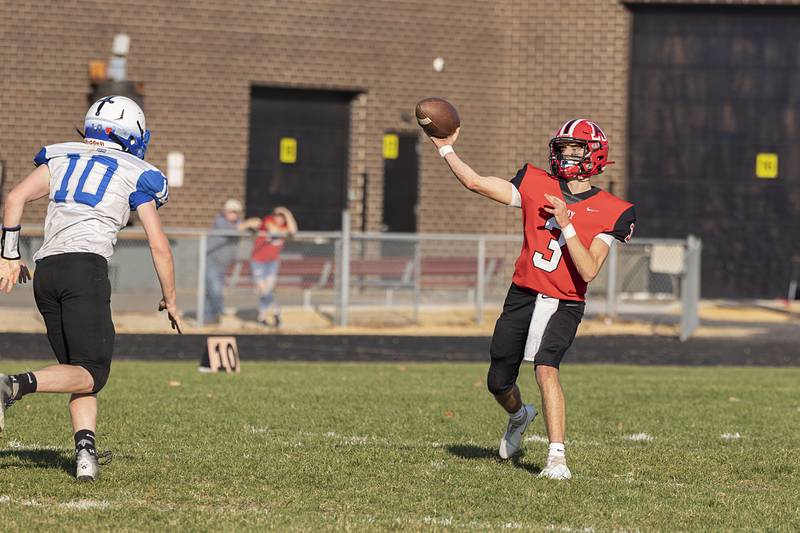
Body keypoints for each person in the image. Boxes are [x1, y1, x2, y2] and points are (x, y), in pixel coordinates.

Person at [430, 119, 636, 480]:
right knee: (498, 381)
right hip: (523, 293)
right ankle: (519, 415)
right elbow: (476, 182)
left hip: (565, 300)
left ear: (595, 155)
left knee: (546, 368)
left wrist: (567, 223)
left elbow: (588, 271)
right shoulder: (535, 182)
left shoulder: (613, 209)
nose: (566, 156)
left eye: (575, 149)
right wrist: (445, 147)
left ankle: (557, 458)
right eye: (562, 148)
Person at [0, 95, 183, 481]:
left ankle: (86, 456)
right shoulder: (135, 170)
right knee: (92, 372)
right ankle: (12, 385)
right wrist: (171, 297)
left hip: (46, 271)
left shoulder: (62, 155)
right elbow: (159, 245)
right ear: (131, 135)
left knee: (77, 371)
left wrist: (10, 256)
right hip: (85, 268)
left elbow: (14, 197)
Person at [239, 207, 297, 327]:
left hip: (272, 262)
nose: (279, 218)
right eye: (277, 215)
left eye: (282, 216)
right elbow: (273, 229)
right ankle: (277, 311)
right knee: (263, 290)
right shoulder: (268, 221)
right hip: (258, 261)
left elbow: (293, 230)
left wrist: (288, 213)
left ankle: (262, 317)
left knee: (268, 290)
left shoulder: (285, 227)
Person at [204, 198, 250, 324]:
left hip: (223, 264)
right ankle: (214, 313)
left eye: (236, 212)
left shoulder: (238, 222)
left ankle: (211, 317)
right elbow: (235, 230)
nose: (233, 215)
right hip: (211, 261)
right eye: (231, 212)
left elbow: (244, 229)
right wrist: (249, 223)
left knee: (213, 291)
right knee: (214, 289)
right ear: (225, 211)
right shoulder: (220, 221)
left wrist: (253, 226)